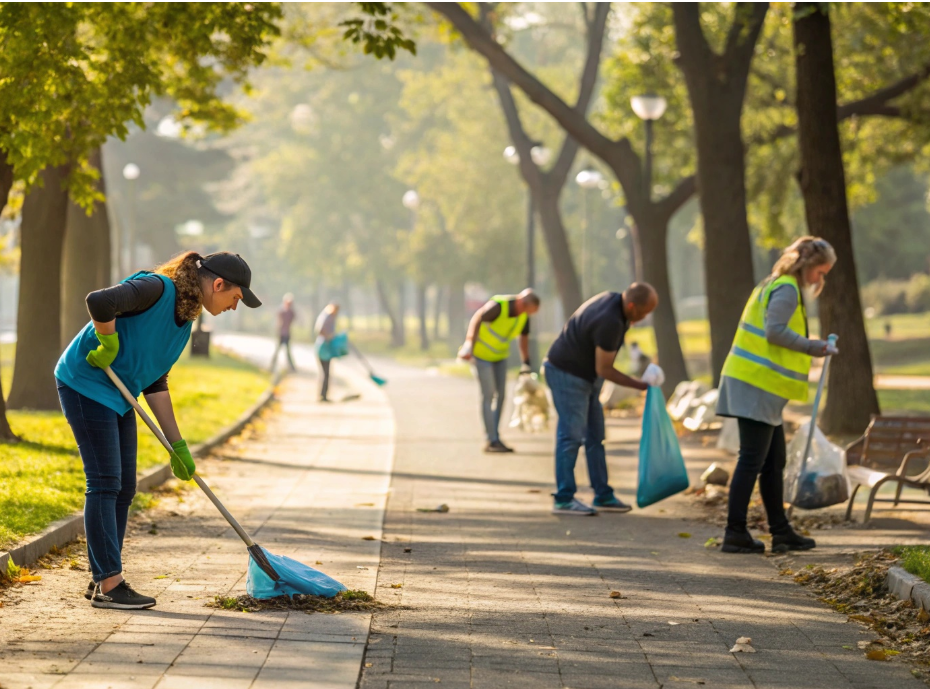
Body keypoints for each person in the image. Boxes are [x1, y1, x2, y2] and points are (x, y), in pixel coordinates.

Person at [55, 251, 261, 609]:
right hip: (86, 381)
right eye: (236, 298)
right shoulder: (156, 288)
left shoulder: (186, 319)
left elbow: (156, 382)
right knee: (104, 481)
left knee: (125, 485)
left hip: (119, 392)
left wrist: (177, 446)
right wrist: (107, 341)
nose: (234, 306)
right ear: (218, 284)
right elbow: (99, 302)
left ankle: (103, 575)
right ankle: (110, 583)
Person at [716, 237, 838, 554]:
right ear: (807, 266)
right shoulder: (786, 288)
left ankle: (781, 531)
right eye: (820, 272)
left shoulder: (775, 284)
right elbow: (775, 331)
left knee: (773, 462)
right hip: (755, 384)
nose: (819, 280)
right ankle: (735, 532)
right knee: (752, 460)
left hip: (758, 386)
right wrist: (816, 346)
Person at [544, 284, 664, 516]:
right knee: (571, 437)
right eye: (643, 312)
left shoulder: (615, 303)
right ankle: (563, 498)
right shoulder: (610, 321)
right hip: (566, 374)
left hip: (586, 376)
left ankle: (603, 494)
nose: (645, 317)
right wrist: (641, 386)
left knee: (595, 437)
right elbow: (605, 369)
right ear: (631, 305)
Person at [457, 289, 541, 453]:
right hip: (481, 356)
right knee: (488, 395)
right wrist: (469, 344)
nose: (524, 312)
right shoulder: (498, 306)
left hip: (500, 357)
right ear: (519, 301)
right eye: (524, 307)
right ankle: (491, 439)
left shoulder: (523, 317)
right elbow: (477, 318)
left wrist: (526, 363)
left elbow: (523, 339)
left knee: (501, 395)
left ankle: (495, 435)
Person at [315, 302, 340, 402]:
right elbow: (321, 330)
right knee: (326, 373)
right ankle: (323, 395)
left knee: (325, 373)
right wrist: (329, 336)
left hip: (324, 348)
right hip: (324, 349)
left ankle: (323, 394)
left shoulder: (327, 316)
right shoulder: (328, 317)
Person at [270, 293, 297, 373]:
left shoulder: (291, 312)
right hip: (281, 333)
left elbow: (291, 321)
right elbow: (278, 321)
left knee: (288, 352)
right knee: (277, 350)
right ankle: (272, 366)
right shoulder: (282, 311)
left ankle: (291, 367)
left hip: (287, 333)